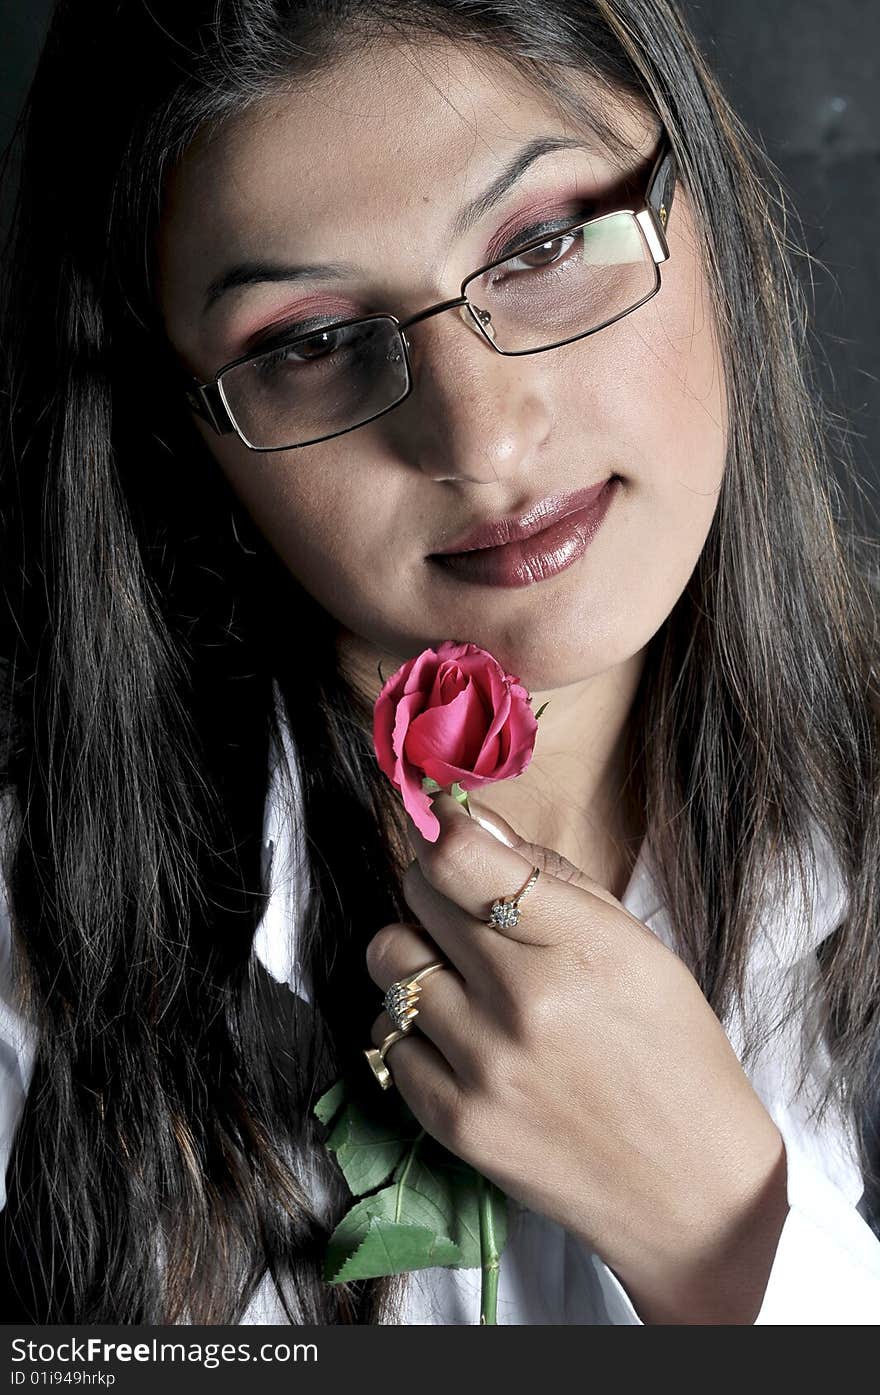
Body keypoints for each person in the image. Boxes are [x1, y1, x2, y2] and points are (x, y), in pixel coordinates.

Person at [0, 0, 878, 1326]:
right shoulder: (31, 957)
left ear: (720, 215)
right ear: (187, 441)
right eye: (307, 343)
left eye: (539, 244)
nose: (481, 439)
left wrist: (721, 1233)